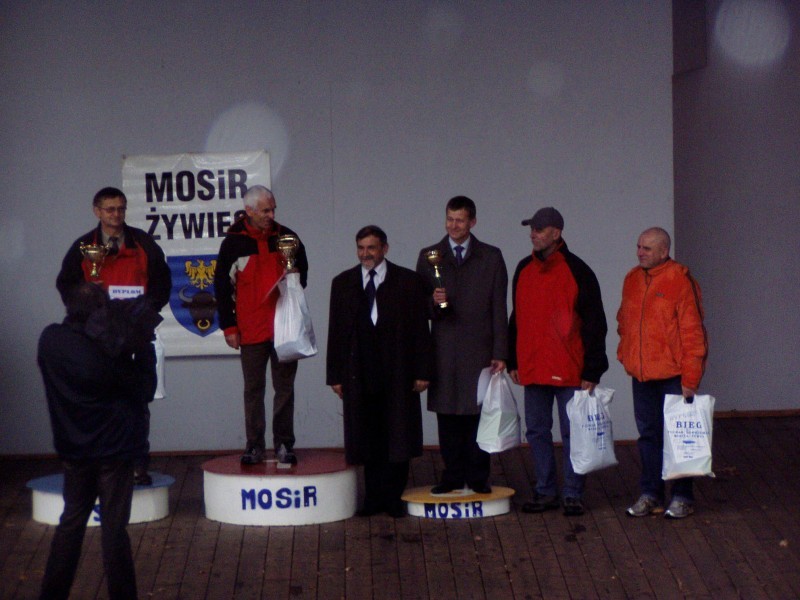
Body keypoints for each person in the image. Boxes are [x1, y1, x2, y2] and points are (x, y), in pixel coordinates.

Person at [38, 282, 159, 600]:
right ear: (99, 312)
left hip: (74, 450)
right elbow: (145, 388)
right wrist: (143, 344)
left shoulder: (50, 340)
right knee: (114, 531)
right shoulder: (107, 354)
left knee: (70, 524)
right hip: (114, 451)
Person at [56, 186, 171, 486]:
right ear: (97, 211)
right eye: (110, 209)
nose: (116, 214)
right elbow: (65, 284)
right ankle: (98, 466)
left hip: (135, 336)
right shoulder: (83, 247)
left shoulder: (144, 243)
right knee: (97, 403)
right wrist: (85, 308)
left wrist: (145, 312)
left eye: (121, 208)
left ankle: (138, 465)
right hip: (95, 340)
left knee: (137, 404)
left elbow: (163, 283)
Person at [508, 207, 608, 517]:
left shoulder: (578, 270)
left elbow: (595, 324)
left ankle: (572, 494)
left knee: (573, 433)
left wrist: (593, 369)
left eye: (539, 229)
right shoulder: (523, 269)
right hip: (534, 366)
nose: (533, 234)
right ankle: (545, 491)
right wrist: (513, 359)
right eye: (532, 229)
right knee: (537, 432)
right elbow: (516, 318)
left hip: (570, 368)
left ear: (556, 232)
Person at [327, 225, 433, 517]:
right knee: (368, 436)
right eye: (361, 248)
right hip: (360, 373)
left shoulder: (408, 282)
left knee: (397, 435)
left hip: (398, 371)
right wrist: (335, 375)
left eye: (371, 248)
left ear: (385, 249)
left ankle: (394, 497)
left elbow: (420, 331)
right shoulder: (343, 283)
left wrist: (423, 371)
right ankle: (373, 499)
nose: (365, 254)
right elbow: (336, 332)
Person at [416, 196, 508, 495]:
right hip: (443, 349)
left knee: (477, 413)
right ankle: (452, 475)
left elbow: (499, 307)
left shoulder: (491, 257)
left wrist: (500, 352)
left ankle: (479, 475)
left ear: (472, 222)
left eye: (460, 220)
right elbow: (417, 307)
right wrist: (433, 302)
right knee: (447, 415)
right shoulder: (430, 256)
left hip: (479, 349)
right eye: (449, 219)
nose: (453, 225)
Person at [617, 227, 708, 519]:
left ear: (663, 251)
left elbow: (693, 333)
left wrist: (690, 379)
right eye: (638, 246)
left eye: (647, 248)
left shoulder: (680, 280)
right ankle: (651, 494)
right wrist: (626, 353)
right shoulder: (632, 278)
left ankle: (682, 497)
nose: (639, 252)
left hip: (673, 375)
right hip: (642, 375)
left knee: (679, 437)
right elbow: (624, 320)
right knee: (648, 436)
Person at [214, 185, 308, 466]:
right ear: (249, 211)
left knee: (285, 390)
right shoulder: (233, 243)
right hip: (251, 328)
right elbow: (222, 288)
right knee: (253, 391)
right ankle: (254, 446)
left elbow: (302, 277)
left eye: (273, 209)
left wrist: (294, 276)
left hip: (284, 328)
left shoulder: (287, 237)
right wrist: (229, 327)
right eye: (265, 210)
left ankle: (284, 445)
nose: (271, 215)